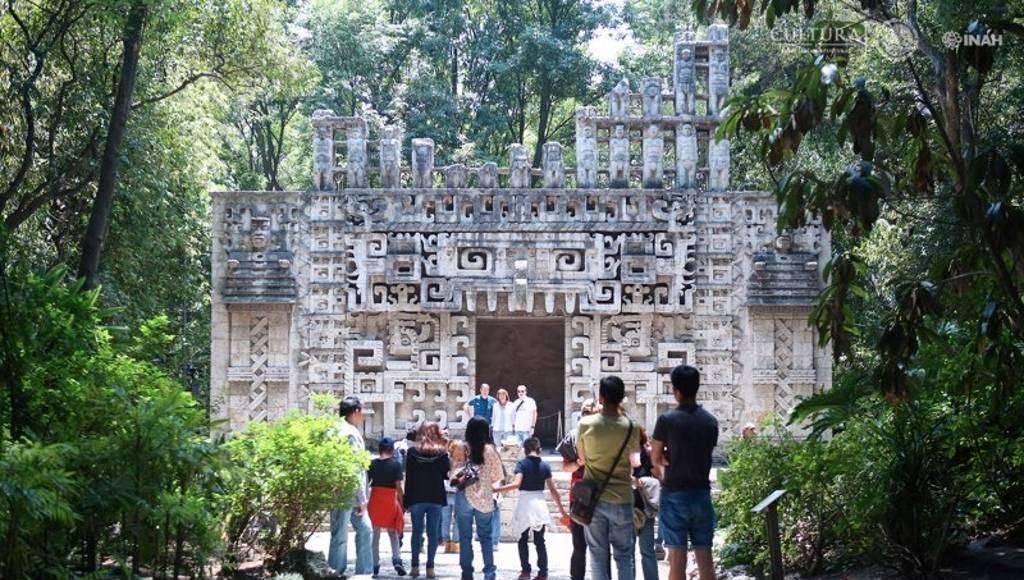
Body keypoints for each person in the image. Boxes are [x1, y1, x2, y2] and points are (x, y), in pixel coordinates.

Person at [651, 365, 720, 580]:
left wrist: (665, 460)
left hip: (674, 493)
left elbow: (655, 457)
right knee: (705, 558)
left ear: (676, 390)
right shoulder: (710, 422)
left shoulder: (667, 420)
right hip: (701, 493)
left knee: (677, 560)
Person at [577, 376, 642, 580]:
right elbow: (635, 461)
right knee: (624, 555)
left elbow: (581, 458)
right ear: (622, 397)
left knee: (597, 555)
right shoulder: (631, 427)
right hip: (622, 497)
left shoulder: (585, 424)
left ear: (601, 397)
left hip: (593, 499)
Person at [496, 437, 568, 580]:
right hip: (539, 503)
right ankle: (543, 572)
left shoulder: (522, 464)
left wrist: (496, 490)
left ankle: (525, 570)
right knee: (540, 540)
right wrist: (562, 510)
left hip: (525, 503)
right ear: (539, 449)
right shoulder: (545, 466)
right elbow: (553, 490)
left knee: (522, 539)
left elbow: (516, 484)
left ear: (525, 450)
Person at [452, 416, 505, 580]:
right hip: (485, 498)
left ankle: (466, 573)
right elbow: (497, 476)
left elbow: (453, 472)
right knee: (486, 537)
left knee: (465, 538)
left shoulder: (461, 448)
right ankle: (489, 573)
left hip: (464, 497)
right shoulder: (490, 450)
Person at [329, 396, 373, 576]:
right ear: (355, 411)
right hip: (348, 492)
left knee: (364, 529)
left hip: (343, 490)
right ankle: (336, 571)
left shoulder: (336, 430)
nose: (362, 415)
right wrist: (362, 498)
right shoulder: (349, 433)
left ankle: (363, 571)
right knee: (341, 533)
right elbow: (354, 467)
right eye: (361, 411)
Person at [557, 398, 600, 580]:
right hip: (582, 493)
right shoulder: (574, 436)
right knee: (580, 544)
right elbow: (565, 466)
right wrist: (578, 463)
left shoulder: (605, 434)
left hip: (601, 491)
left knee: (600, 546)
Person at [403, 421, 451, 578]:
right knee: (432, 534)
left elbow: (408, 478)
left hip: (417, 497)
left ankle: (415, 566)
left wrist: (406, 500)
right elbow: (446, 475)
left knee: (416, 532)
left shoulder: (412, 452)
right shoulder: (442, 454)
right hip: (435, 497)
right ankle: (430, 566)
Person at [367, 437, 407, 577]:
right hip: (390, 500)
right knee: (393, 532)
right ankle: (396, 560)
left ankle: (375, 564)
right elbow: (399, 487)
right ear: (391, 450)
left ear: (379, 450)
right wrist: (402, 503)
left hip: (375, 499)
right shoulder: (396, 465)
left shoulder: (372, 463)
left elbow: (366, 482)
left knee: (375, 534)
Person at [634, 430, 660, 580]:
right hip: (645, 506)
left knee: (628, 552)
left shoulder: (623, 454)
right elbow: (658, 475)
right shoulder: (647, 453)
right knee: (647, 550)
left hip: (630, 505)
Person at [441, 439, 464, 554]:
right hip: (446, 492)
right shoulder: (447, 462)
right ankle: (447, 542)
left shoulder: (465, 463)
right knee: (445, 519)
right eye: (458, 448)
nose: (460, 451)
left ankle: (455, 542)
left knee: (458, 519)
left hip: (459, 493)